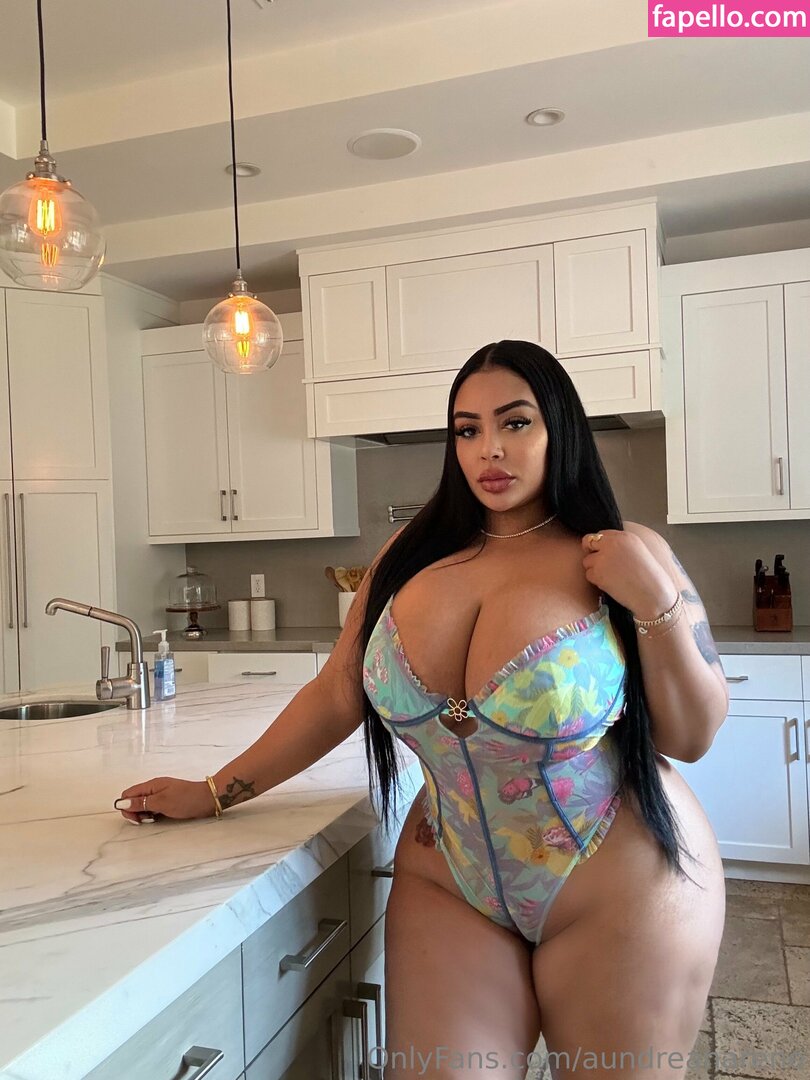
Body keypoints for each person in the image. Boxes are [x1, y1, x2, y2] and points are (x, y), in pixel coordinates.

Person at [115, 340, 728, 1079]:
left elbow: (692, 737)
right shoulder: (410, 555)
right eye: (467, 429)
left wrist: (657, 602)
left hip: (618, 881)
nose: (489, 449)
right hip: (451, 881)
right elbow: (336, 694)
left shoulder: (624, 552)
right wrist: (214, 792)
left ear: (559, 428)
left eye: (515, 422)